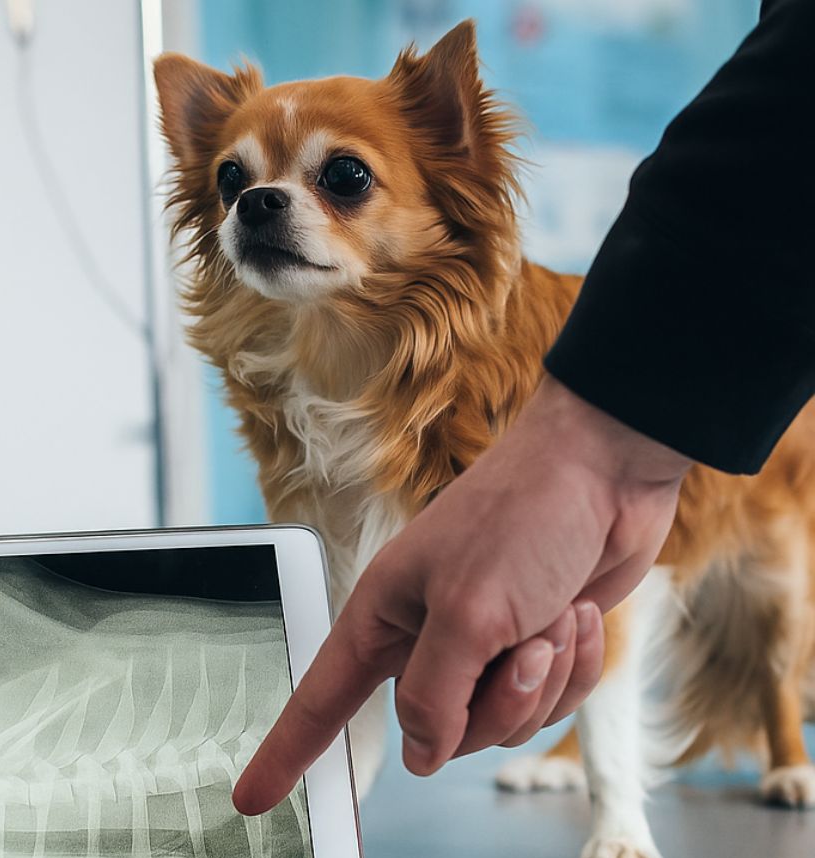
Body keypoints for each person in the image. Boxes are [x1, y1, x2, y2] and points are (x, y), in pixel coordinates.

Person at [233, 0, 815, 816]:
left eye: (346, 177)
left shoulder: (508, 366)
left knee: (743, 611)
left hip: (745, 440)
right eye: (235, 180)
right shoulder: (294, 417)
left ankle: (767, 738)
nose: (260, 199)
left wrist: (599, 454)